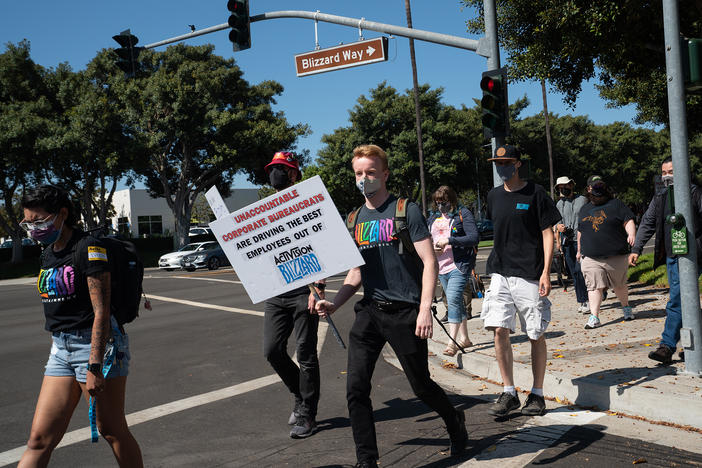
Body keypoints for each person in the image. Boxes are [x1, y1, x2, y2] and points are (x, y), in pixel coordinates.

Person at [315, 144, 468, 467]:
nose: (364, 179)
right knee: (355, 389)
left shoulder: (405, 210)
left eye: (370, 172)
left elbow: (430, 263)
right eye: (359, 173)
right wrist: (335, 303)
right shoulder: (354, 218)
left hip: (406, 313)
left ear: (384, 174)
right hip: (370, 311)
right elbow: (356, 272)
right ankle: (367, 461)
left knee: (422, 387)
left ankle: (454, 421)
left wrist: (425, 308)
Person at [18, 185, 143, 468]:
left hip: (95, 347)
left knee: (111, 430)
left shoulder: (88, 248)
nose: (34, 228)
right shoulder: (49, 252)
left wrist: (95, 366)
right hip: (60, 348)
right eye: (29, 222)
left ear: (62, 214)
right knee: (39, 439)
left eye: (39, 221)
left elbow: (101, 312)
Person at [480, 144, 561, 418]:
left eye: (506, 163)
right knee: (499, 329)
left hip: (529, 273)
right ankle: (509, 391)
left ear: (517, 164)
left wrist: (546, 271)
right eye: (497, 163)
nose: (501, 167)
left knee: (535, 333)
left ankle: (537, 395)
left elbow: (547, 233)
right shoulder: (493, 196)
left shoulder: (535, 193)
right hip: (500, 273)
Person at [262, 151, 324, 439]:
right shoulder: (263, 209)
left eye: (282, 168)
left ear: (295, 174)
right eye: (273, 168)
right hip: (277, 292)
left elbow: (324, 246)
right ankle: (300, 395)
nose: (276, 173)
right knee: (272, 350)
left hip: (305, 291)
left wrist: (319, 288)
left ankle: (308, 414)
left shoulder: (308, 203)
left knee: (307, 354)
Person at [630, 157, 702, 364]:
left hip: (694, 255)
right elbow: (648, 222)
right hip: (673, 256)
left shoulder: (695, 193)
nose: (667, 176)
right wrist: (636, 249)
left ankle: (669, 345)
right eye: (664, 172)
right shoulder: (660, 197)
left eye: (671, 171)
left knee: (679, 299)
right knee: (680, 299)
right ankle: (688, 345)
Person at [577, 175, 636, 329]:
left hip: (616, 255)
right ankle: (594, 316)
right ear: (589, 189)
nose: (597, 189)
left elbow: (628, 220)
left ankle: (626, 307)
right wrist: (579, 251)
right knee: (594, 286)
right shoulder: (584, 209)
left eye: (600, 186)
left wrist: (631, 234)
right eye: (594, 186)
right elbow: (581, 231)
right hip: (591, 256)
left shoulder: (616, 204)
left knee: (619, 285)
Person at [427, 185, 479, 356]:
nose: (441, 206)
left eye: (444, 202)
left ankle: (452, 342)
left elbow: (473, 237)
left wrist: (449, 240)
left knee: (453, 299)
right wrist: (433, 248)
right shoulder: (433, 217)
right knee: (455, 302)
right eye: (438, 203)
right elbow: (428, 238)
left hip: (460, 265)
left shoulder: (463, 214)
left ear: (452, 200)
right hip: (441, 267)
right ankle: (465, 338)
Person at [555, 176, 589, 313]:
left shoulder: (583, 200)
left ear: (571, 185)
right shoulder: (559, 204)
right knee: (574, 273)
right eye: (560, 187)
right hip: (567, 242)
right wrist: (559, 227)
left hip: (582, 240)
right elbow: (556, 222)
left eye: (565, 186)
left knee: (581, 270)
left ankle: (593, 295)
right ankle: (582, 300)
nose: (563, 189)